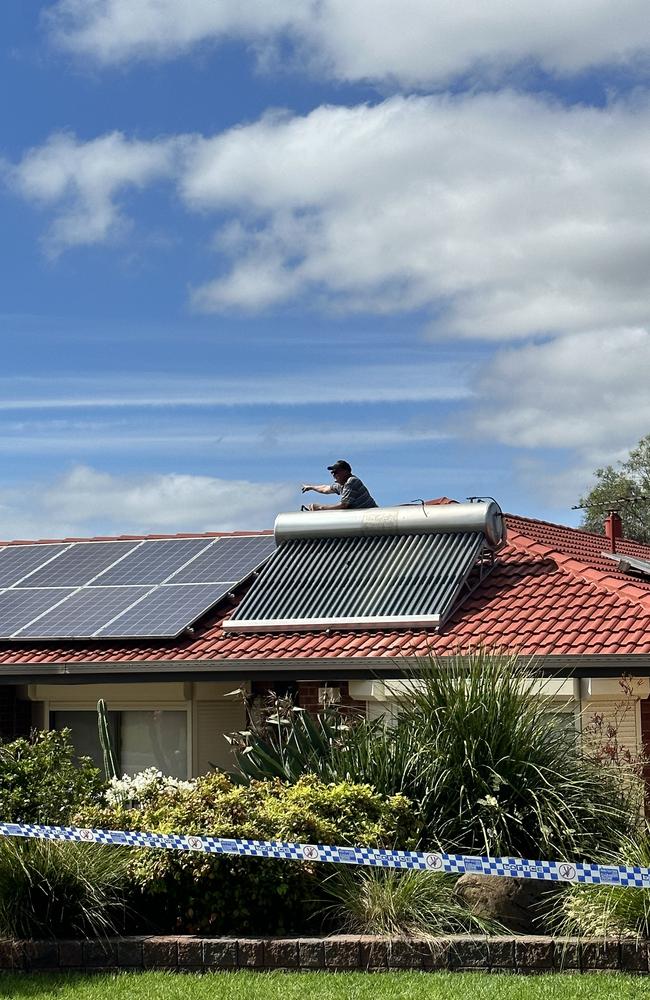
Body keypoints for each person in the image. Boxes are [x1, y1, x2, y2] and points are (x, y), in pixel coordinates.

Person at [301, 460, 377, 511]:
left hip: (372, 517)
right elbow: (325, 488)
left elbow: (344, 505)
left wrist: (320, 508)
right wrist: (311, 487)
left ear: (345, 471)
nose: (333, 474)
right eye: (332, 472)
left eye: (336, 472)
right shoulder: (341, 485)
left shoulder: (351, 481)